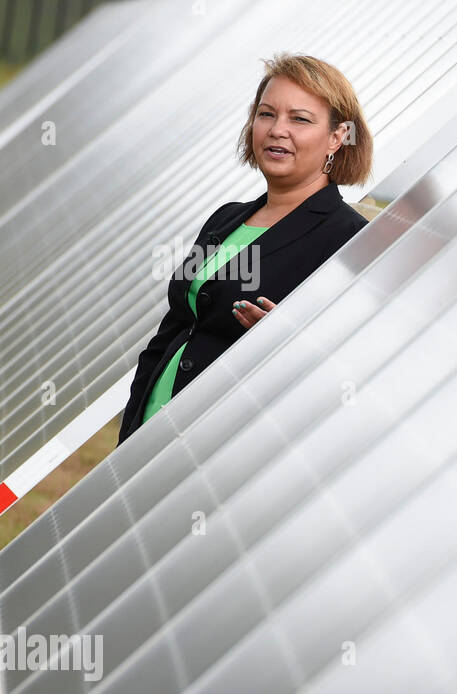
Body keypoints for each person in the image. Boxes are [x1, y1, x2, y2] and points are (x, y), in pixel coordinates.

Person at [117, 52, 373, 446]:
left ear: (337, 137)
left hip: (228, 451)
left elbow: (349, 374)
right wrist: (132, 428)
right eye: (267, 114)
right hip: (147, 436)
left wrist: (287, 342)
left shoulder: (349, 239)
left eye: (300, 119)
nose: (277, 130)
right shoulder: (225, 220)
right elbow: (174, 330)